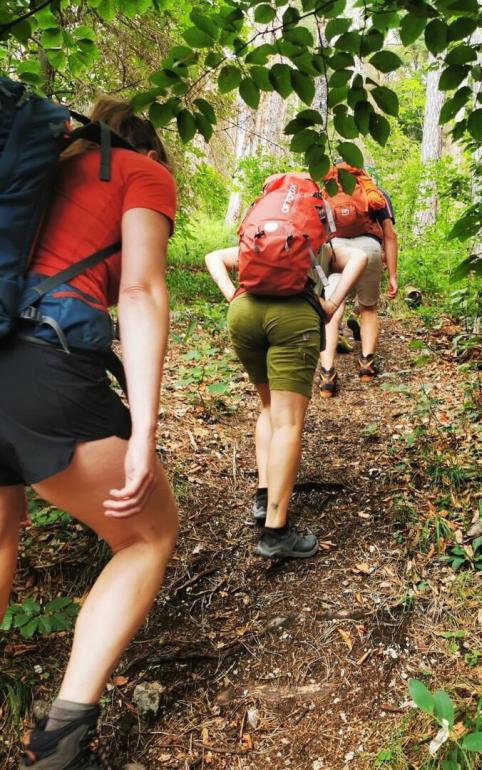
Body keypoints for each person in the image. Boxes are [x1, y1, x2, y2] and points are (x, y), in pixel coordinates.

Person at [0, 98, 178, 769]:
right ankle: (62, 743)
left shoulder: (38, 169)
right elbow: (139, 292)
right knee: (147, 534)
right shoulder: (142, 174)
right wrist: (144, 431)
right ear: (152, 149)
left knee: (1, 521)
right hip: (45, 369)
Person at [205, 241, 366, 558]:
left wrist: (232, 295)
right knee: (288, 422)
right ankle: (276, 531)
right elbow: (359, 256)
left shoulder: (262, 237)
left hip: (243, 312)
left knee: (268, 407)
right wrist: (331, 305)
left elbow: (213, 256)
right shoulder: (318, 239)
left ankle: (265, 497)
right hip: (293, 316)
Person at [318, 175, 398, 397]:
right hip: (369, 248)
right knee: (368, 308)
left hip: (336, 249)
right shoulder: (375, 192)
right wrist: (392, 275)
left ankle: (326, 373)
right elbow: (390, 236)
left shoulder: (326, 192)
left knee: (332, 309)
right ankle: (366, 365)